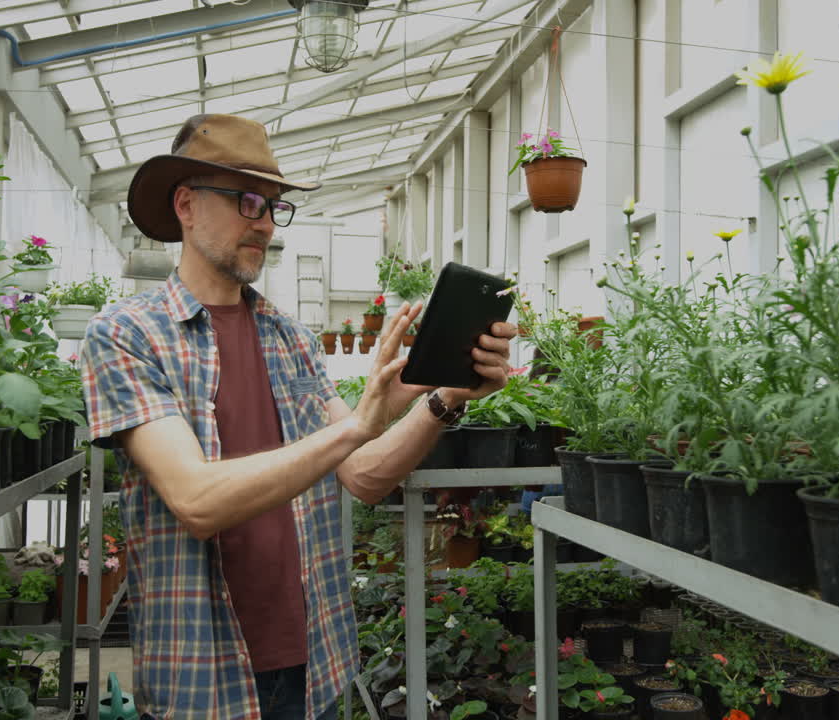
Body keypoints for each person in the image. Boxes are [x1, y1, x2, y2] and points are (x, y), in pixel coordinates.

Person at [79, 113, 516, 720]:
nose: (263, 223)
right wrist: (358, 423)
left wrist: (442, 399)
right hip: (200, 673)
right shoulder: (127, 336)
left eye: (274, 207)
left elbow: (364, 473)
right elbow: (196, 500)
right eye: (248, 201)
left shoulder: (289, 338)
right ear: (185, 204)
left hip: (310, 659)